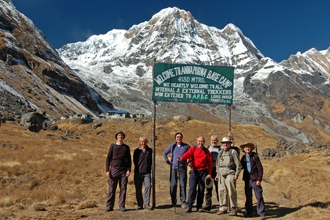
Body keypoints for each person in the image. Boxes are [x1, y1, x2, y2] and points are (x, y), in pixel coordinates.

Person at [178, 136, 212, 213]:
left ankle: (199, 206)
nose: (201, 143)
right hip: (194, 171)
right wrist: (181, 158)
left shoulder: (206, 151)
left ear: (204, 142)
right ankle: (189, 205)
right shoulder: (193, 148)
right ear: (197, 141)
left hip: (203, 171)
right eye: (199, 141)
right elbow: (187, 154)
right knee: (192, 188)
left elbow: (210, 163)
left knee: (201, 189)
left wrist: (209, 173)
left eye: (202, 141)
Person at [105, 130, 132, 212]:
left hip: (123, 170)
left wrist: (128, 170)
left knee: (123, 188)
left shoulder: (126, 147)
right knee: (112, 188)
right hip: (114, 169)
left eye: (121, 135)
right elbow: (108, 158)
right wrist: (107, 170)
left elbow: (129, 160)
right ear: (116, 137)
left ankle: (121, 206)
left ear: (123, 137)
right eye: (119, 135)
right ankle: (109, 206)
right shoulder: (112, 146)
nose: (120, 137)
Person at [162, 132, 190, 209]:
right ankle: (173, 201)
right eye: (177, 137)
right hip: (174, 168)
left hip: (182, 169)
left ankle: (183, 202)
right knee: (173, 185)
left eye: (180, 137)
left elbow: (191, 155)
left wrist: (188, 162)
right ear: (175, 138)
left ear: (182, 138)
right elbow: (164, 153)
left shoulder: (186, 146)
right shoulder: (172, 146)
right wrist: (168, 162)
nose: (179, 138)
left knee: (182, 185)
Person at [215, 137, 242, 216]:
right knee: (222, 191)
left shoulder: (233, 152)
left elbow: (238, 165)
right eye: (224, 143)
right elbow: (217, 164)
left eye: (227, 143)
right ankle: (223, 207)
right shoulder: (220, 153)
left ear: (230, 144)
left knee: (231, 191)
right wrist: (217, 174)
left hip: (230, 173)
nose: (225, 144)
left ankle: (233, 208)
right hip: (221, 174)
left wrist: (236, 174)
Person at [240, 142, 266, 220]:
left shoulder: (255, 157)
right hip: (247, 180)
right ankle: (249, 213)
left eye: (249, 147)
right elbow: (240, 167)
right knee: (248, 197)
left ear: (251, 148)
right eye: (246, 147)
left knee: (259, 196)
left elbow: (260, 169)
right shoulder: (243, 158)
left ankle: (261, 213)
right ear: (244, 149)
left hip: (255, 179)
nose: (247, 148)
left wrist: (259, 179)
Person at [199, 135, 220, 212]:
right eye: (212, 140)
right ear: (210, 141)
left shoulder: (220, 149)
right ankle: (208, 204)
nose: (213, 141)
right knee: (208, 188)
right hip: (209, 171)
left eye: (215, 140)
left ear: (217, 141)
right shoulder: (207, 149)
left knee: (219, 188)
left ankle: (221, 204)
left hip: (218, 171)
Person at [133, 137, 153, 210]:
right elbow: (135, 161)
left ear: (147, 142)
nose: (143, 143)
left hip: (147, 173)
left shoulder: (150, 150)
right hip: (138, 173)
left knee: (148, 187)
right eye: (142, 141)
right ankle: (140, 204)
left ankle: (146, 203)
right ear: (139, 142)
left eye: (144, 141)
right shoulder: (136, 151)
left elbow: (151, 161)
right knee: (138, 189)